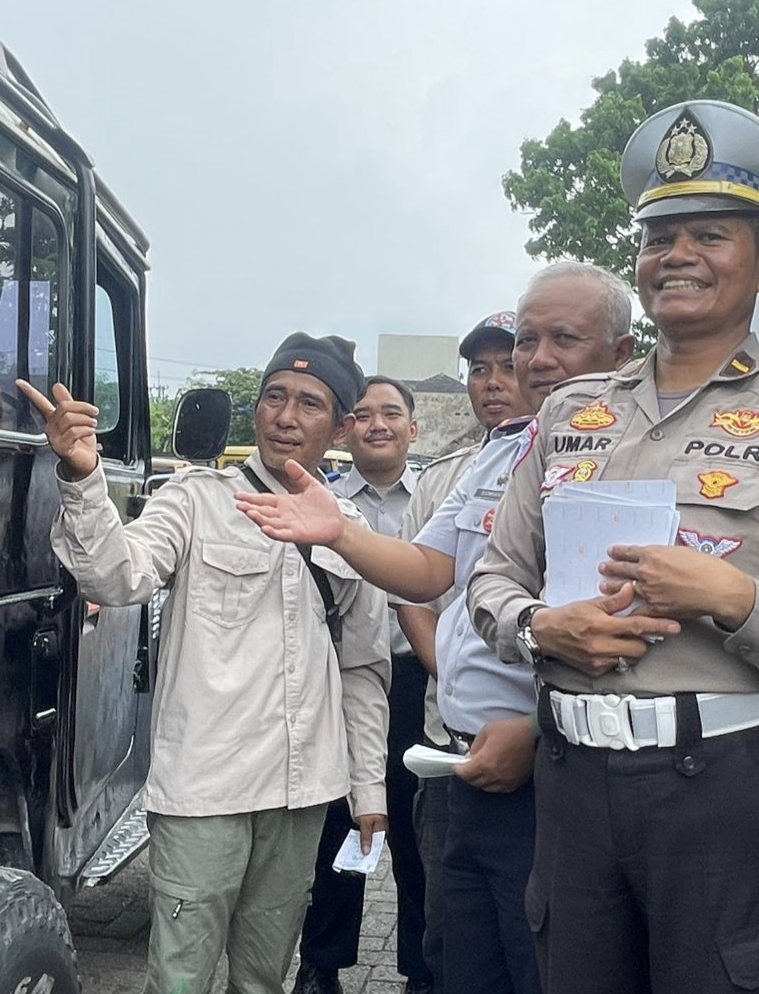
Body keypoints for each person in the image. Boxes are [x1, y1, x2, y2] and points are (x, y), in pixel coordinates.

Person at [468, 99, 759, 994]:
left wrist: (733, 599)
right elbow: (495, 575)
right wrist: (545, 628)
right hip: (573, 778)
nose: (678, 256)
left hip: (728, 789)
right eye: (661, 236)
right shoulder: (569, 410)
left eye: (711, 234)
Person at [236, 266, 643, 994]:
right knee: (461, 961)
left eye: (563, 339)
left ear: (622, 353)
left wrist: (538, 725)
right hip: (463, 764)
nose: (535, 359)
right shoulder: (503, 449)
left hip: (553, 769)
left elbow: (626, 633)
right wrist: (341, 534)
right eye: (525, 342)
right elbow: (427, 568)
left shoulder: (632, 452)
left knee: (543, 966)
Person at [17, 332, 391, 994]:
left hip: (302, 790)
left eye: (309, 402)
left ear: (338, 425)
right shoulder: (194, 500)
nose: (285, 414)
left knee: (262, 979)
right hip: (204, 788)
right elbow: (116, 576)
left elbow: (362, 670)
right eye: (274, 396)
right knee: (180, 977)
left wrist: (368, 793)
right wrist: (82, 476)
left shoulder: (352, 527)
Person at [396, 310, 528, 993]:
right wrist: (448, 671)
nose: (493, 381)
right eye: (479, 369)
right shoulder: (450, 472)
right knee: (448, 924)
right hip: (449, 731)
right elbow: (415, 581)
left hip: (534, 743)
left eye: (507, 364)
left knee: (529, 937)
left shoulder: (568, 458)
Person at [296, 376, 432, 994]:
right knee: (336, 824)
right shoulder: (318, 497)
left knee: (411, 831)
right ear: (346, 429)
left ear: (413, 427)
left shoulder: (433, 500)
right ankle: (321, 962)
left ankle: (420, 970)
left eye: (392, 414)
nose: (378, 424)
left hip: (413, 680)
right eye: (365, 415)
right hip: (339, 681)